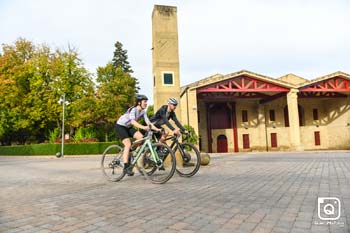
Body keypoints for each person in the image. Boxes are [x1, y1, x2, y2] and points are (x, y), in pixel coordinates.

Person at [115, 94, 160, 176]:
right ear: (139, 103)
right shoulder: (133, 109)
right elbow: (132, 122)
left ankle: (130, 150)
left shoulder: (143, 111)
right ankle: (126, 166)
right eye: (145, 102)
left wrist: (158, 129)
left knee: (141, 138)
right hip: (120, 126)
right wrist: (143, 127)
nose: (146, 103)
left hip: (128, 127)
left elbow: (149, 123)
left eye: (146, 102)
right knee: (127, 144)